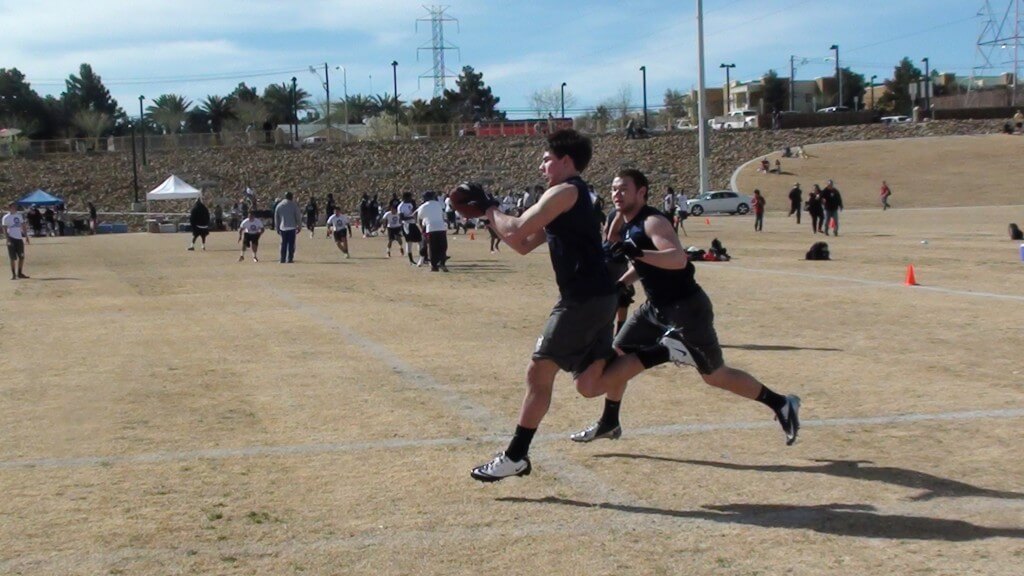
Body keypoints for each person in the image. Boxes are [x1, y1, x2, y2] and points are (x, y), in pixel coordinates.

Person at [569, 169, 800, 448]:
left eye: (624, 189)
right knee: (618, 359)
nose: (617, 194)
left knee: (715, 375)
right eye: (614, 189)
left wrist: (636, 252)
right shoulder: (629, 223)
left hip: (687, 309)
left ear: (642, 192)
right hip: (654, 309)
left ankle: (781, 403)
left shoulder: (653, 221)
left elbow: (677, 259)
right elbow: (635, 257)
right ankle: (610, 421)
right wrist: (623, 281)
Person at [468, 129, 617, 482]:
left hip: (582, 299)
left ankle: (516, 455)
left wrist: (490, 207)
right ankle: (659, 352)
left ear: (566, 161)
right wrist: (490, 215)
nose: (542, 166)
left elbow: (517, 227)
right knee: (590, 384)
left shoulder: (565, 191)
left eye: (547, 159)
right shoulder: (572, 196)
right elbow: (522, 244)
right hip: (596, 296)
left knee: (539, 372)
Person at [415, 191, 448, 272]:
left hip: (431, 228)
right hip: (441, 228)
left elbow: (420, 216)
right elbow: (442, 215)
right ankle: (442, 263)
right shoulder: (438, 204)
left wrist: (421, 227)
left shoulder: (424, 206)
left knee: (432, 248)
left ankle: (434, 266)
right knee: (442, 247)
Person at [2, 201, 30, 280]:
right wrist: (7, 239)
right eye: (13, 206)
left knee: (21, 257)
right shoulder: (6, 217)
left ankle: (20, 273)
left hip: (19, 238)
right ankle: (13, 274)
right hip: (11, 238)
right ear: (10, 207)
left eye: (15, 206)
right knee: (12, 258)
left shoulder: (19, 216)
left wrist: (26, 236)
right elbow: (4, 228)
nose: (15, 208)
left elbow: (23, 226)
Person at [275, 191, 301, 263]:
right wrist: (299, 226)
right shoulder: (294, 205)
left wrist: (277, 227)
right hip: (292, 227)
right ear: (291, 197)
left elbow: (276, 217)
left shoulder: (279, 205)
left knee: (283, 243)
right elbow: (298, 216)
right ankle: (290, 259)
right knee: (291, 244)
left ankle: (282, 259)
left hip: (283, 227)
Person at [398, 192, 423, 266]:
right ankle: (411, 260)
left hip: (413, 224)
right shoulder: (401, 206)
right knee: (409, 242)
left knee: (420, 241)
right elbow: (401, 218)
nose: (411, 199)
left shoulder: (410, 203)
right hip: (407, 225)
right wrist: (411, 217)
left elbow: (413, 211)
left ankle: (422, 257)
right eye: (410, 197)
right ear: (405, 198)